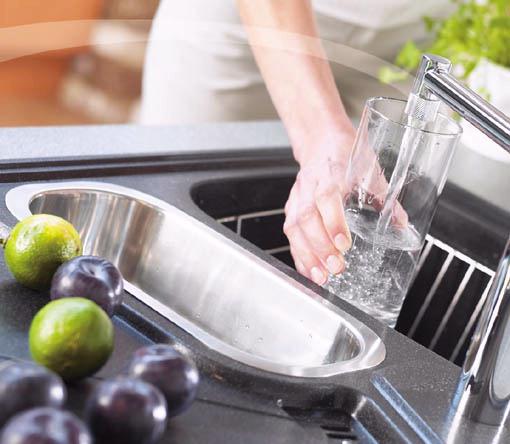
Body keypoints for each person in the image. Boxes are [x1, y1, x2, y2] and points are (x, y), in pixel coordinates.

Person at [140, 0, 451, 285]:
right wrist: (320, 137)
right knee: (174, 238)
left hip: (414, 38)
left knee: (357, 228)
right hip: (256, 23)